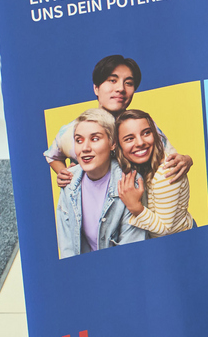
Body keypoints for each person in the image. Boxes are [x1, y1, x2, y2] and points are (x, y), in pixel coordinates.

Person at [46, 55, 191, 189]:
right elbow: (52, 155)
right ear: (96, 88)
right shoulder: (74, 130)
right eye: (112, 80)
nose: (121, 88)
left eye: (128, 83)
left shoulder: (143, 125)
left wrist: (186, 160)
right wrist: (65, 174)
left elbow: (172, 158)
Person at [55, 108, 146, 258]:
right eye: (79, 140)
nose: (85, 148)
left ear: (112, 143)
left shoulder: (131, 183)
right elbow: (67, 247)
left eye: (95, 139)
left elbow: (131, 252)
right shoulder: (69, 180)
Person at [115, 109, 195, 238]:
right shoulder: (143, 165)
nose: (140, 143)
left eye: (146, 133)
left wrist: (135, 207)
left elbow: (164, 230)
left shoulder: (165, 174)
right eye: (129, 139)